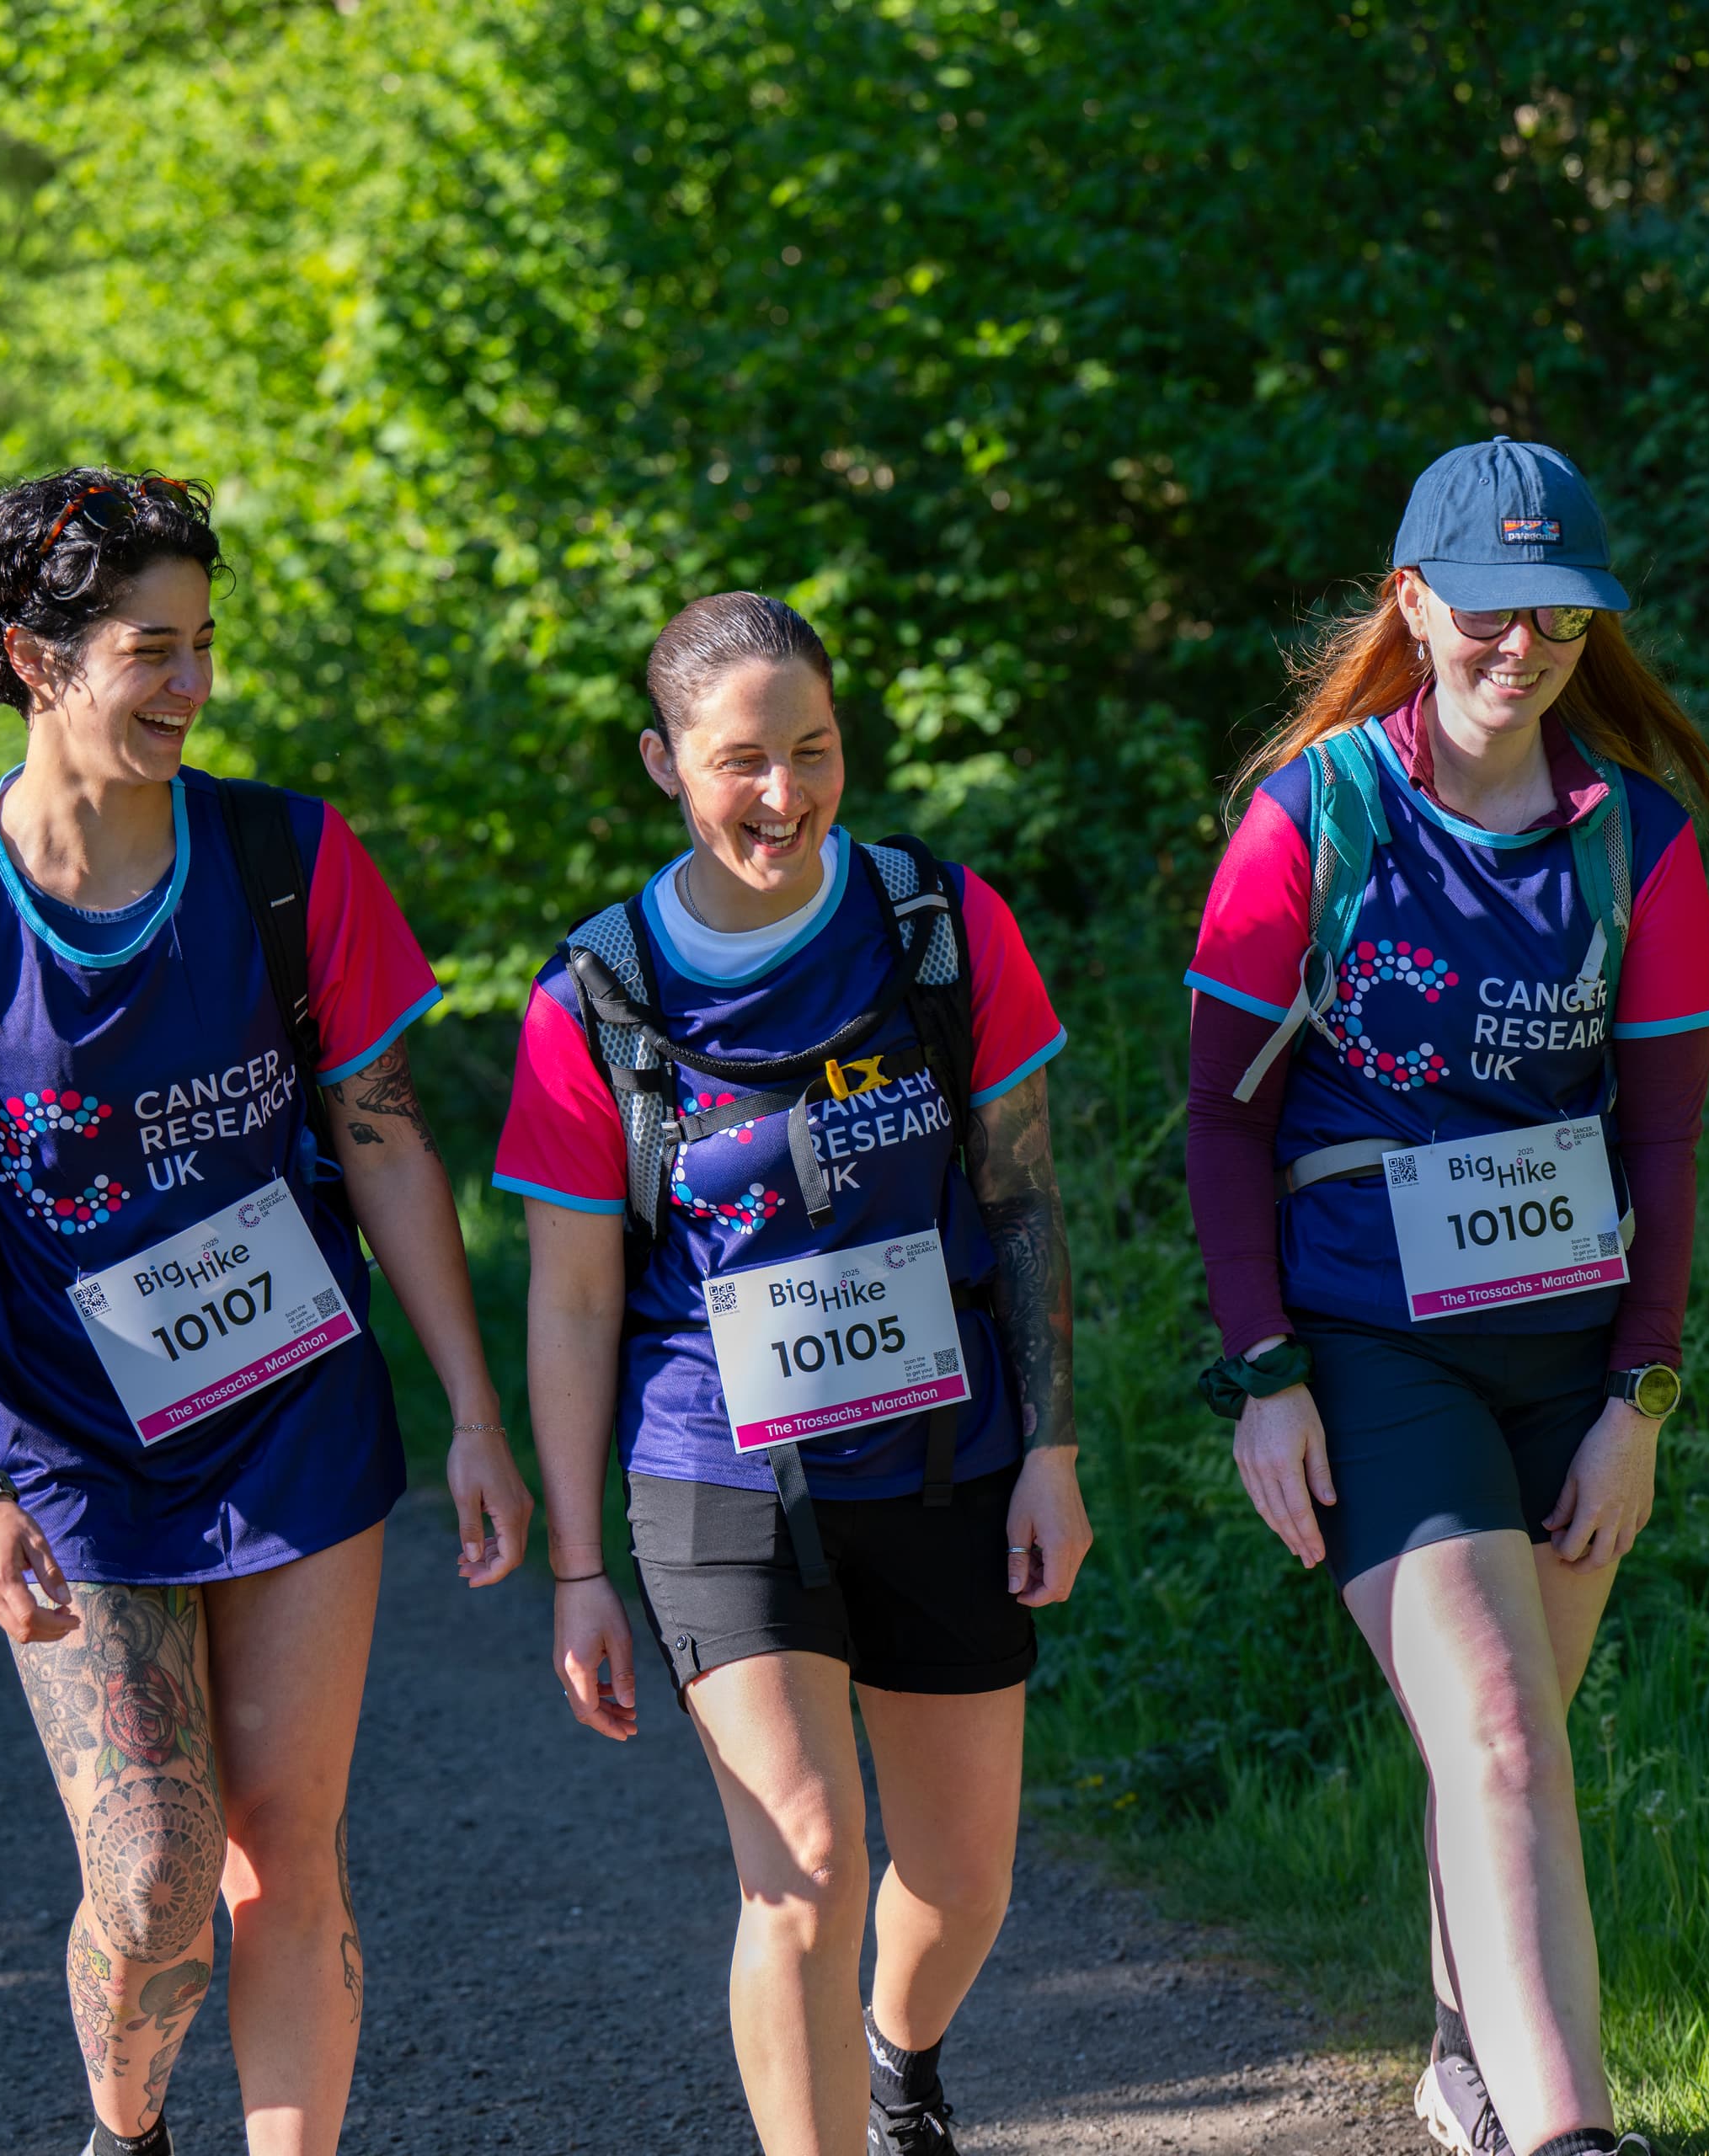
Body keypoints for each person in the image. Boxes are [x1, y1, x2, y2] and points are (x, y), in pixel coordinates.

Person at [0, 469, 533, 2156]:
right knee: (149, 1875)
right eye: (153, 649)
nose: (195, 685)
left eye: (206, 643)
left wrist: (477, 1417)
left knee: (288, 1844)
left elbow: (383, 1137)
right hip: (68, 1443)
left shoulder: (288, 856)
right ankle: (126, 2128)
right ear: (35, 657)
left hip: (293, 1410)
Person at [1182, 440, 1709, 2156]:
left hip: (1568, 1359)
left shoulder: (1633, 843)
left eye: (1565, 617)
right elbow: (1223, 1113)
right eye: (1493, 610)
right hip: (1376, 1346)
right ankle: (1576, 2130)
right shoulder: (1314, 817)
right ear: (1416, 601)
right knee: (1499, 1731)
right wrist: (1266, 1370)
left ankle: (1468, 2056)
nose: (1529, 646)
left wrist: (1637, 1399)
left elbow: (1665, 1136)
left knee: (1505, 1745)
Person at [494, 590, 1090, 2156]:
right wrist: (578, 1568)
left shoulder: (939, 928)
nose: (782, 795)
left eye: (812, 749)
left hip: (950, 1458)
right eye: (739, 761)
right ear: (664, 765)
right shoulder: (597, 1001)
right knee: (806, 1862)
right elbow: (570, 1300)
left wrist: (1055, 1450)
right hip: (716, 1472)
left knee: (962, 1882)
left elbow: (1022, 1199)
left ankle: (898, 2065)